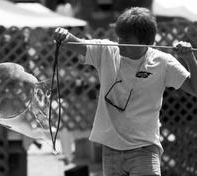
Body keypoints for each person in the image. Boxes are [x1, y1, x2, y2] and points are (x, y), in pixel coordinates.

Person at [54, 7, 197, 176]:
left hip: (145, 149)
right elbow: (75, 43)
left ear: (146, 42)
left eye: (126, 39)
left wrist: (189, 58)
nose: (120, 42)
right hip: (111, 149)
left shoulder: (163, 62)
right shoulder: (107, 51)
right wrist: (64, 35)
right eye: (119, 37)